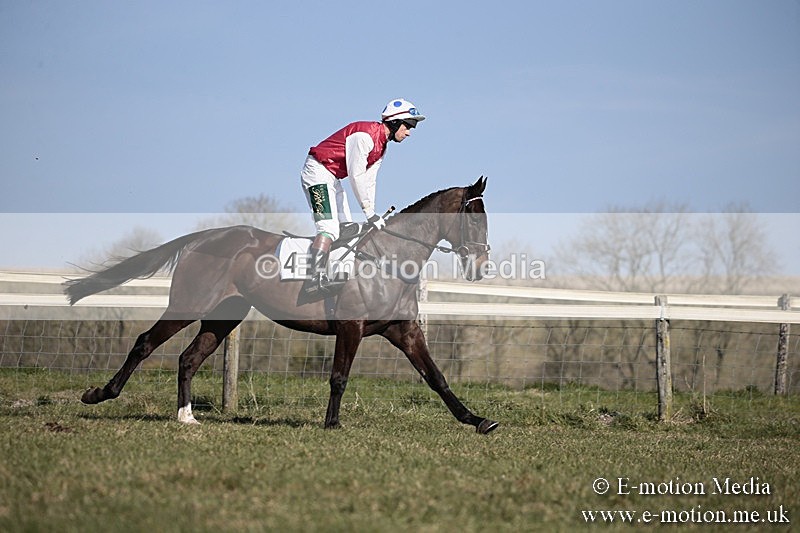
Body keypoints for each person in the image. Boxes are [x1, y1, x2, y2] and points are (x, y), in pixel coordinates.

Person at [299, 98, 425, 295]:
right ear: (394, 122)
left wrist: (372, 214)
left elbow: (369, 180)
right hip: (317, 171)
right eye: (408, 126)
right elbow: (356, 176)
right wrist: (369, 213)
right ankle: (313, 279)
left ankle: (336, 274)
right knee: (329, 228)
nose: (409, 132)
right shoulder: (364, 137)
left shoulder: (382, 146)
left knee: (348, 228)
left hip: (332, 177)